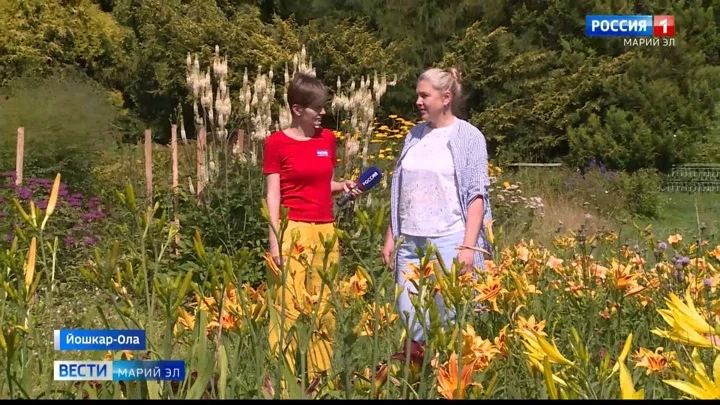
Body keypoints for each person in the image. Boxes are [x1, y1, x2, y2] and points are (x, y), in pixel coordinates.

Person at [381, 67, 493, 344]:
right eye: (417, 96)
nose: (418, 102)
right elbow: (401, 190)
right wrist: (391, 235)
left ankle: (449, 382)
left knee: (449, 320)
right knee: (411, 320)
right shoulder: (413, 136)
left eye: (424, 96)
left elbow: (476, 196)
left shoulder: (469, 137)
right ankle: (417, 380)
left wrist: (468, 248)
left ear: (445, 98)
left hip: (449, 241)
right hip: (409, 242)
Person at [262, 72, 356, 384]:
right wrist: (275, 241)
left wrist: (342, 186)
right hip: (292, 232)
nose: (324, 113)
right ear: (298, 109)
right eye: (318, 108)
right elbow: (274, 194)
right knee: (287, 304)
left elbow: (320, 184)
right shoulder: (276, 143)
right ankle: (284, 376)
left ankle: (317, 378)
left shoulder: (327, 140)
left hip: (326, 231)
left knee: (323, 305)